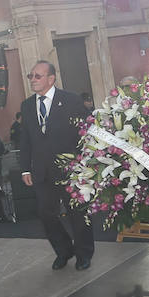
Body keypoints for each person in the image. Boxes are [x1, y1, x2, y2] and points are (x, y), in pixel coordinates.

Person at [18, 60, 95, 271]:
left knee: (76, 213)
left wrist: (84, 163)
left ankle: (83, 253)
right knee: (46, 214)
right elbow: (25, 140)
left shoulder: (70, 100)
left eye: (37, 76)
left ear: (51, 79)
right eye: (31, 76)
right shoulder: (26, 106)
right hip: (41, 171)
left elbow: (86, 131)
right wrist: (25, 168)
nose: (33, 80)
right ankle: (63, 250)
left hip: (70, 169)